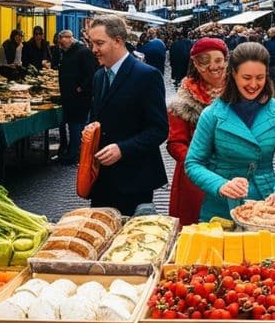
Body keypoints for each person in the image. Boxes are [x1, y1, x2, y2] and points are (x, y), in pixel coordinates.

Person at [185, 42, 275, 221]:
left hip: (267, 206)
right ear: (233, 74)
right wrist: (220, 185)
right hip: (220, 206)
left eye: (260, 77)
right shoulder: (212, 114)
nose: (254, 84)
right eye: (247, 77)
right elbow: (193, 163)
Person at [88, 15, 168, 215]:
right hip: (102, 180)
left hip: (134, 181)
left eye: (99, 43)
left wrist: (122, 149)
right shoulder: (99, 76)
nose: (94, 50)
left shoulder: (147, 75)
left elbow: (159, 130)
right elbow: (100, 118)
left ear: (118, 41)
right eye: (92, 43)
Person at [167, 38, 228, 226]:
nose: (213, 66)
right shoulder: (184, 100)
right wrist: (197, 163)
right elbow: (175, 143)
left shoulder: (241, 90)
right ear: (195, 63)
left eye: (218, 60)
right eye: (205, 61)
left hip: (234, 172)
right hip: (196, 180)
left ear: (226, 60)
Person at [56, 30, 98, 165]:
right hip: (69, 96)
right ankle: (72, 152)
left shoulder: (83, 52)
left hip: (79, 97)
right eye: (60, 44)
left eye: (63, 43)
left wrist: (81, 88)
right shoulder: (67, 52)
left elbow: (91, 72)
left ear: (69, 38)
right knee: (73, 124)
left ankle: (74, 154)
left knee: (76, 126)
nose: (61, 46)